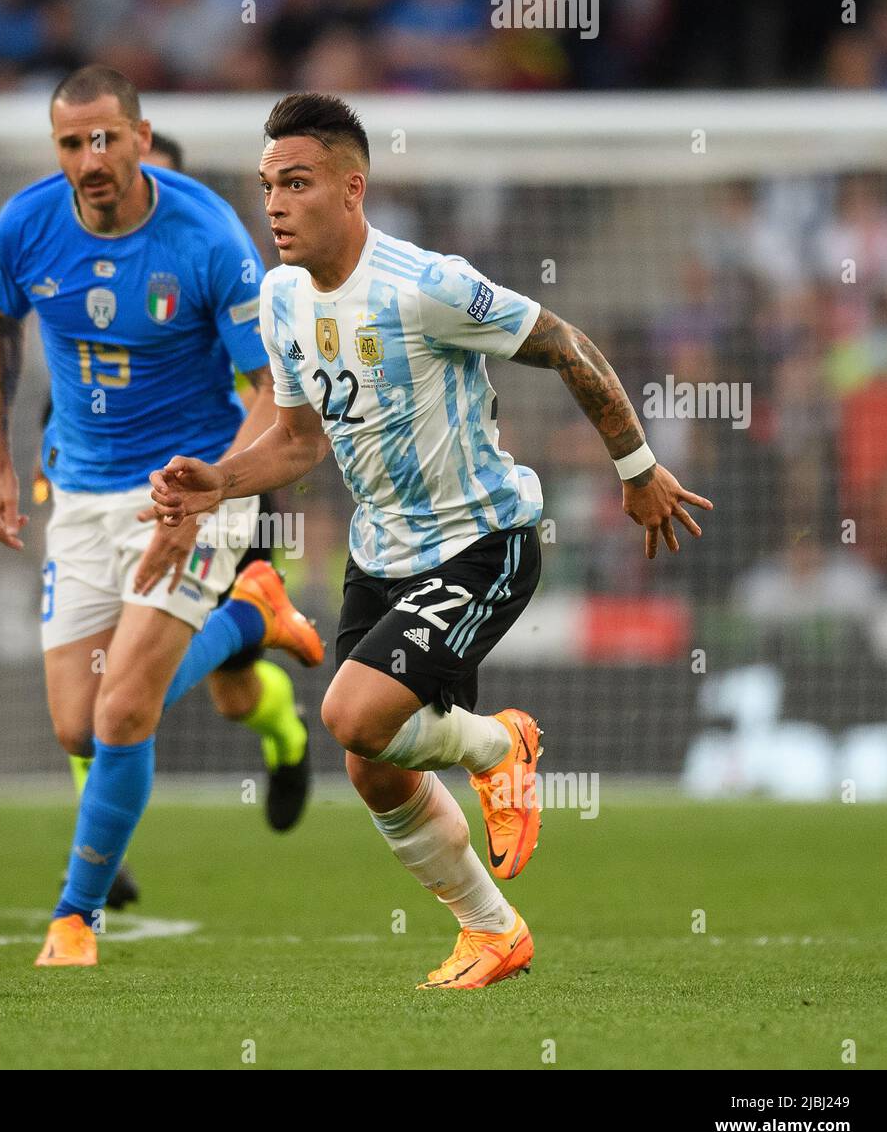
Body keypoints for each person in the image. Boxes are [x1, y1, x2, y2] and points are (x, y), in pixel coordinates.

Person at [151, 93, 713, 990]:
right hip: (382, 555)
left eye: (296, 184)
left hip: (483, 542)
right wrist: (218, 481)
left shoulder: (426, 285)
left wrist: (637, 468)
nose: (276, 205)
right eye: (266, 187)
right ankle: (492, 932)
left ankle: (499, 747)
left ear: (351, 186)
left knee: (348, 714)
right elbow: (298, 441)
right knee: (370, 767)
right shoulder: (282, 297)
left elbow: (566, 344)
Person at [0, 67, 323, 967]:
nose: (89, 160)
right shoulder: (26, 224)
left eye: (104, 140)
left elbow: (272, 394)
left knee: (122, 713)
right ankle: (254, 616)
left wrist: (208, 488)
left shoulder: (208, 236)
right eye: (70, 143)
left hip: (189, 488)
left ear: (138, 136)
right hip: (83, 497)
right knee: (76, 722)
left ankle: (74, 916)